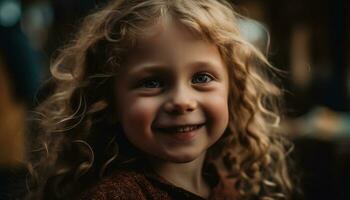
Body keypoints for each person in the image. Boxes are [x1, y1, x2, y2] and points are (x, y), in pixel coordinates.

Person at [25, 0, 293, 199]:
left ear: (232, 90)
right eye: (151, 83)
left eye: (201, 78)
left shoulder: (225, 184)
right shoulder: (118, 196)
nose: (182, 101)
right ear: (109, 100)